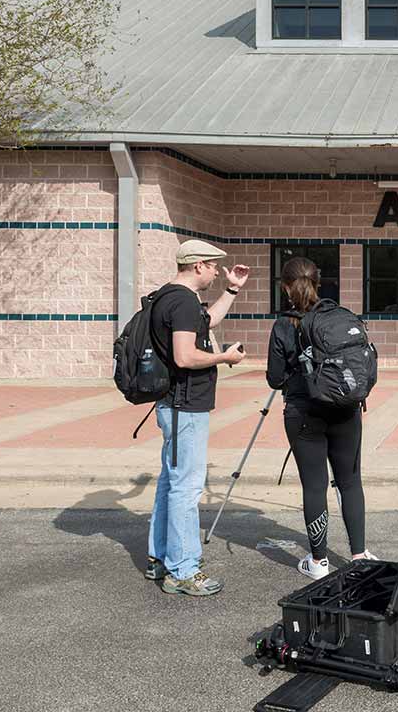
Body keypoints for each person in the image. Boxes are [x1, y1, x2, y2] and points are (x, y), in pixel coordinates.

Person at [146, 239, 248, 596]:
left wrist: (231, 290)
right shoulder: (184, 302)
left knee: (170, 482)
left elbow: (207, 322)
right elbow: (185, 357)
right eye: (214, 266)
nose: (217, 272)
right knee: (186, 488)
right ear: (198, 265)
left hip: (173, 404)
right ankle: (183, 570)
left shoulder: (169, 296)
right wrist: (225, 358)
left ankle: (160, 556)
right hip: (184, 406)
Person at [266, 256, 376, 579]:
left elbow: (274, 378)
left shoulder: (283, 325)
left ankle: (319, 562)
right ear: (318, 282)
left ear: (286, 287)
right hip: (345, 408)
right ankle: (359, 554)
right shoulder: (339, 317)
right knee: (350, 481)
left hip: (304, 413)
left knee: (315, 486)